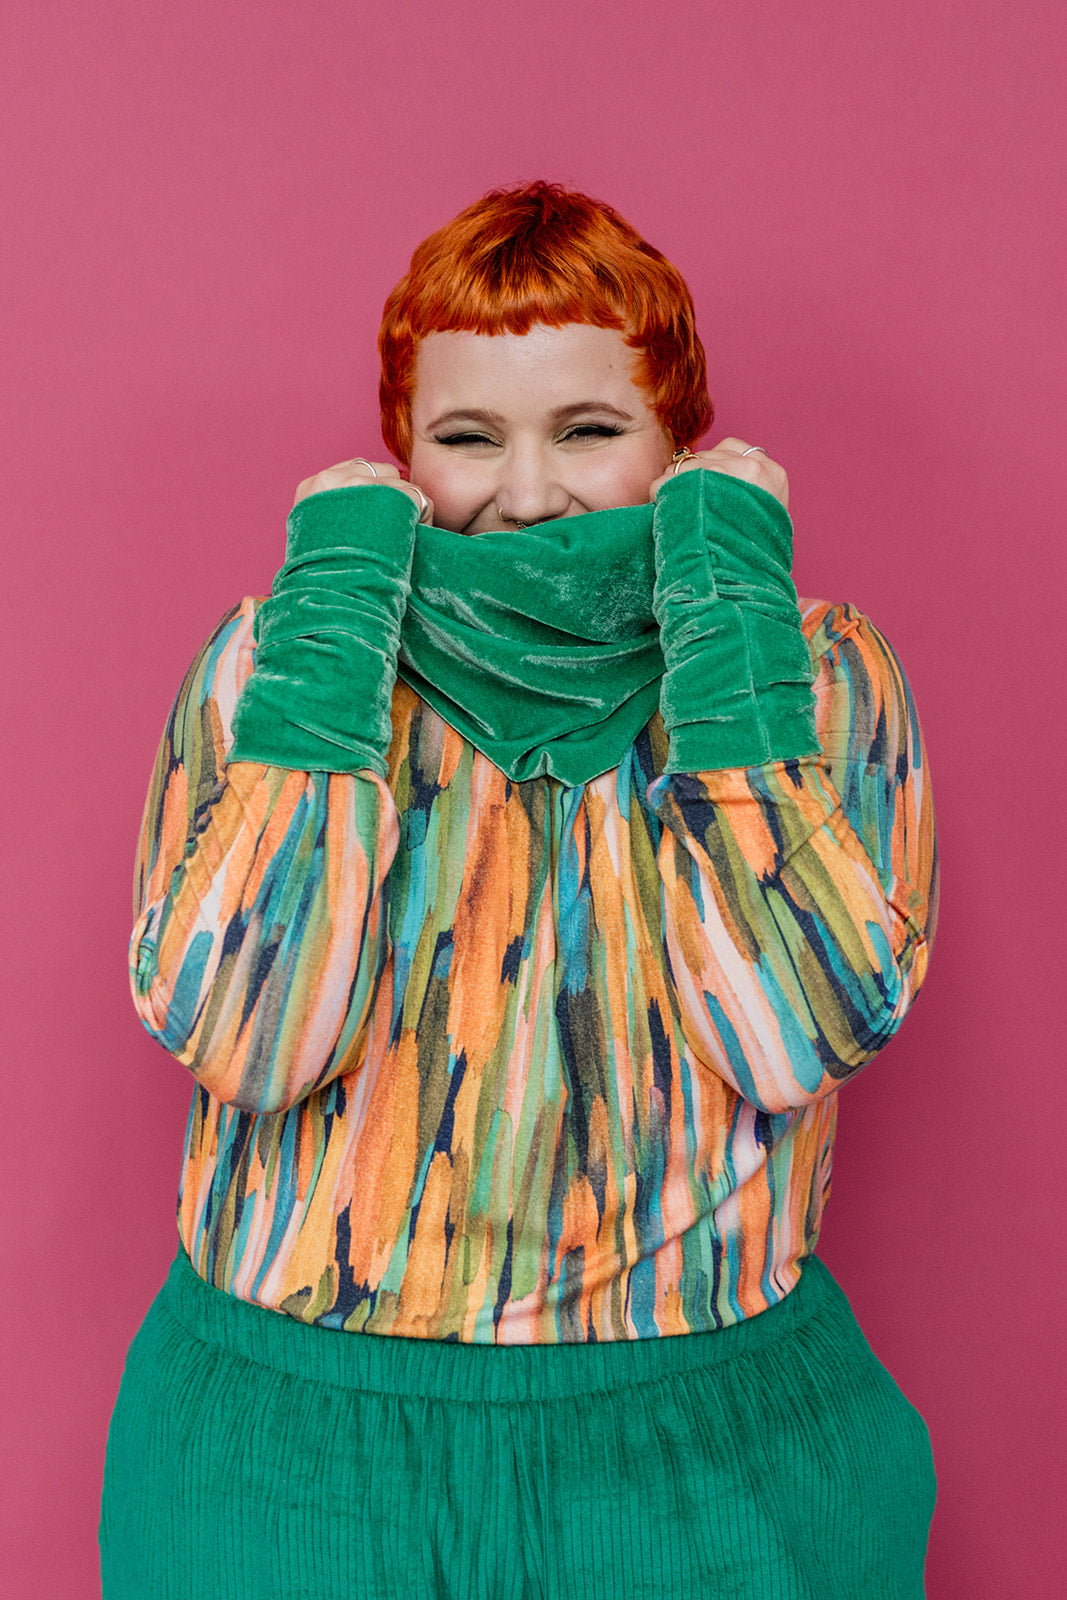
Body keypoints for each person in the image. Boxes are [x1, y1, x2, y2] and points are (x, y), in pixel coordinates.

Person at [99, 181, 938, 1599]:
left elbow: (788, 1038)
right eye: (468, 438)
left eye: (591, 430)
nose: (531, 492)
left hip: (699, 1463)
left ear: (680, 441)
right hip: (294, 1465)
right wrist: (337, 612)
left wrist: (726, 610)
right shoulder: (279, 663)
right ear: (401, 458)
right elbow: (254, 1042)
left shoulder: (821, 676)